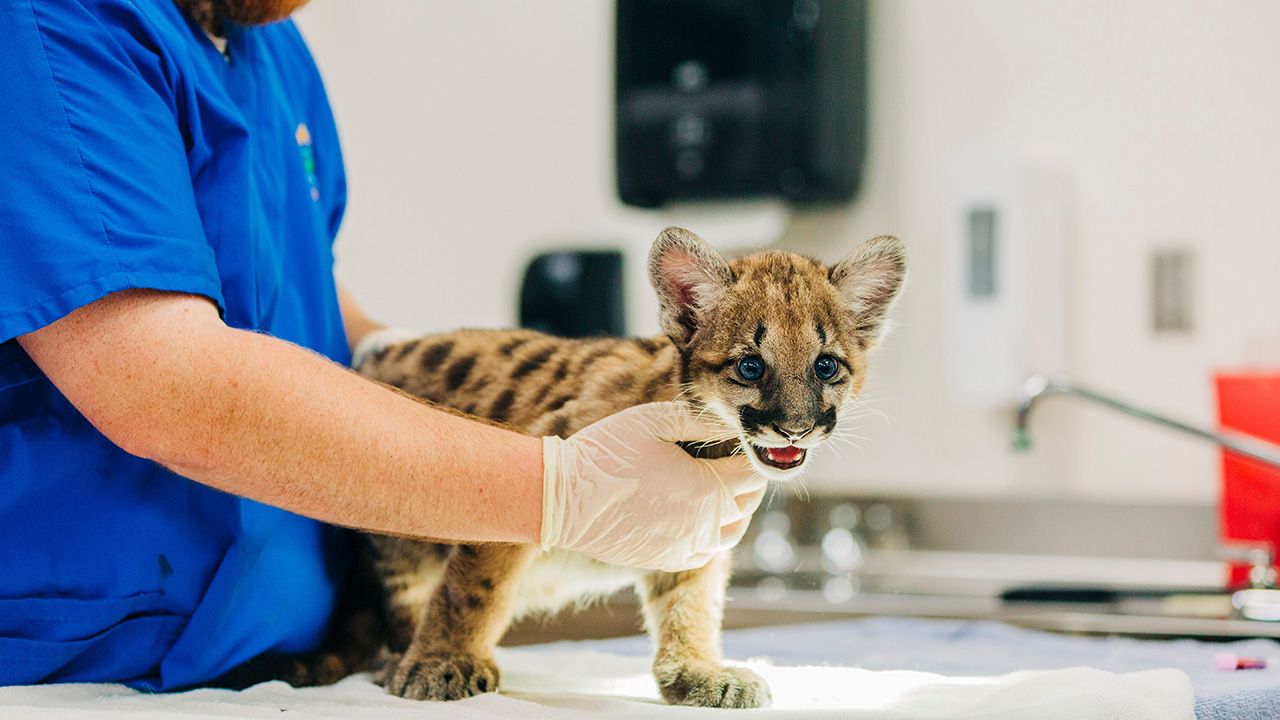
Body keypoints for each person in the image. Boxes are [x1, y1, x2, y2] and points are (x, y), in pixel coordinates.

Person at [0, 0, 764, 690]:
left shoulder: (270, 47)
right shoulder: (51, 29)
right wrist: (558, 490)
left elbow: (291, 286)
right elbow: (159, 382)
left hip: (290, 665)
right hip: (79, 670)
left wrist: (402, 355)